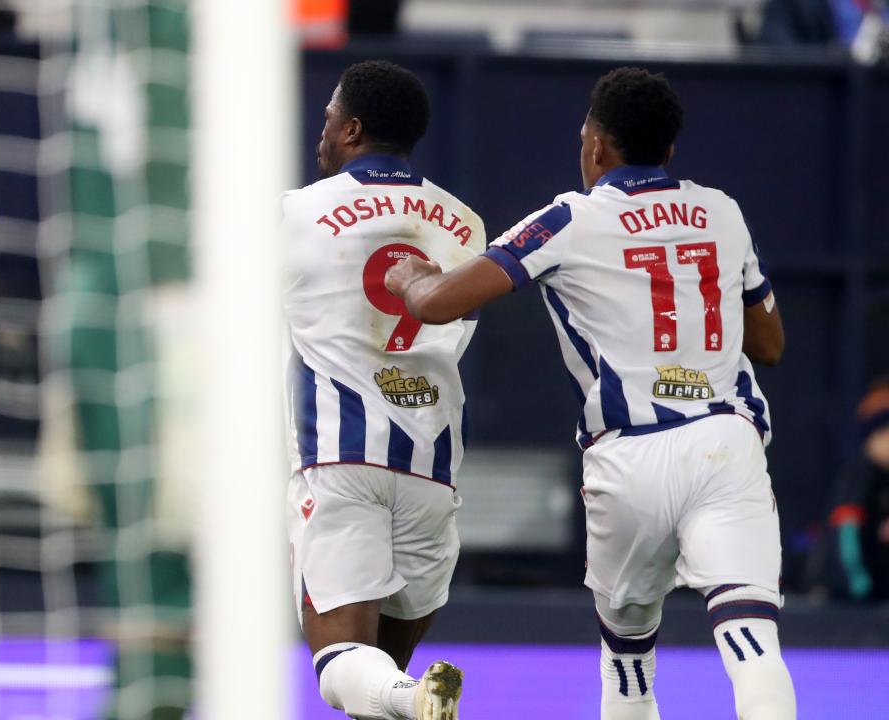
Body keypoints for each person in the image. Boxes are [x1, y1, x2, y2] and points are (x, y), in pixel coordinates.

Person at [386, 67, 796, 720]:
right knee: (751, 641)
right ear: (667, 149)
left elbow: (437, 305)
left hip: (629, 456)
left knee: (629, 661)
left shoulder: (569, 220)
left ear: (597, 146)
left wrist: (410, 274)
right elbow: (769, 345)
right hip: (724, 445)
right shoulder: (723, 212)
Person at [283, 60, 485, 720]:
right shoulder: (465, 226)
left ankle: (411, 692)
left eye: (329, 117)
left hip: (342, 459)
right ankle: (408, 693)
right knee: (378, 684)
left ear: (353, 129)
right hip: (431, 469)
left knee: (342, 665)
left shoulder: (296, 214)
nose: (323, 129)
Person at [829, 378, 889, 600]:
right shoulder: (859, 475)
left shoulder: (883, 476)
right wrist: (858, 580)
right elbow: (846, 534)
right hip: (857, 594)